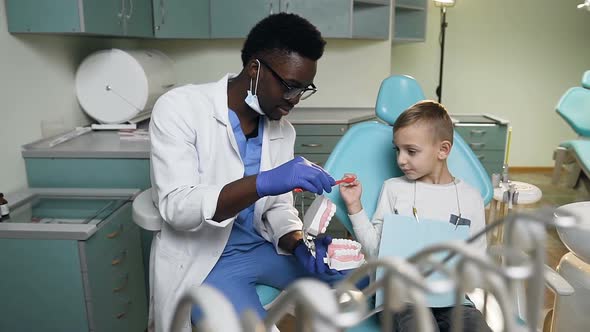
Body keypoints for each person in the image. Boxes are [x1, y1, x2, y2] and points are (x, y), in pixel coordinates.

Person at [149, 13, 344, 332]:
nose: (294, 100)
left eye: (304, 89)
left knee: (350, 288)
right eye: (290, 86)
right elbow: (177, 207)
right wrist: (262, 183)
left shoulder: (282, 129)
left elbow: (280, 208)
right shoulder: (180, 109)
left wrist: (299, 245)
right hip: (207, 261)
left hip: (259, 247)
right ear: (255, 70)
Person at [339, 100, 491, 332]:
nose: (401, 159)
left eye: (411, 151)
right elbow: (374, 251)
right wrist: (354, 207)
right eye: (397, 150)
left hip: (452, 299)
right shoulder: (394, 189)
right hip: (401, 297)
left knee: (476, 326)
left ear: (443, 150)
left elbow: (476, 263)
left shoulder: (471, 199)